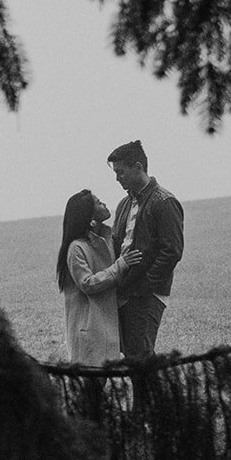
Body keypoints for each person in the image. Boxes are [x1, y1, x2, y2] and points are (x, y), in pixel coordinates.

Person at [107, 140, 185, 357]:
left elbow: (171, 252)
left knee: (140, 359)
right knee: (129, 356)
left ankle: (155, 393)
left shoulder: (165, 202)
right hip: (122, 291)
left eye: (121, 172)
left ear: (138, 167)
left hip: (146, 294)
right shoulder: (123, 204)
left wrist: (144, 286)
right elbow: (117, 244)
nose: (117, 178)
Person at [57, 190, 142, 363]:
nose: (103, 203)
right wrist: (121, 265)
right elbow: (87, 283)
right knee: (92, 384)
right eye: (98, 202)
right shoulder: (76, 248)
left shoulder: (107, 238)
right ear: (89, 216)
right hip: (88, 329)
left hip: (105, 326)